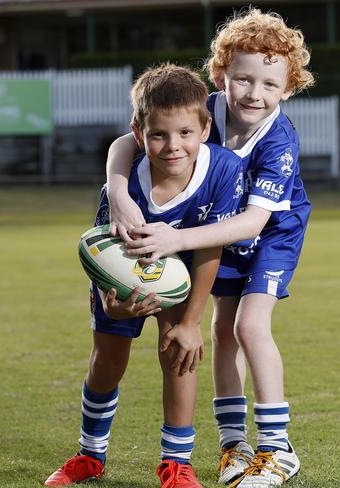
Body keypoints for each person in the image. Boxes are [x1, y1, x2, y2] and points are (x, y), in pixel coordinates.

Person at [104, 8, 315, 487]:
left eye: (269, 84)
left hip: (270, 234)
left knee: (249, 325)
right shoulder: (204, 112)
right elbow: (124, 143)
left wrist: (176, 238)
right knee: (221, 330)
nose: (254, 94)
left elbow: (254, 221)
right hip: (216, 229)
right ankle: (233, 445)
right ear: (221, 75)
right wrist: (118, 194)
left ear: (289, 87)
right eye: (243, 79)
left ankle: (277, 449)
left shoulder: (279, 141)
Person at [44, 64, 244, 487]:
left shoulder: (224, 170)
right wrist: (109, 302)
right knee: (107, 362)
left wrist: (191, 322)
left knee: (179, 357)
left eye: (185, 133)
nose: (173, 146)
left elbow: (211, 246)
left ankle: (176, 464)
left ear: (205, 129)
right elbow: (101, 252)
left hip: (183, 278)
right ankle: (89, 454)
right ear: (139, 133)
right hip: (123, 282)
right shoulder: (122, 189)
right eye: (158, 135)